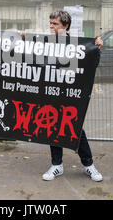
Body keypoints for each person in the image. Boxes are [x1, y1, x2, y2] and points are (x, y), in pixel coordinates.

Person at [41, 10, 104, 182]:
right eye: (51, 23)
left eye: (55, 24)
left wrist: (97, 48)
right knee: (53, 126)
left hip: (71, 95)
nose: (51, 26)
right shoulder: (45, 43)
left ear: (66, 25)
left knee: (75, 129)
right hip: (51, 92)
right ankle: (56, 165)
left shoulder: (79, 44)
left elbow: (92, 64)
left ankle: (89, 165)